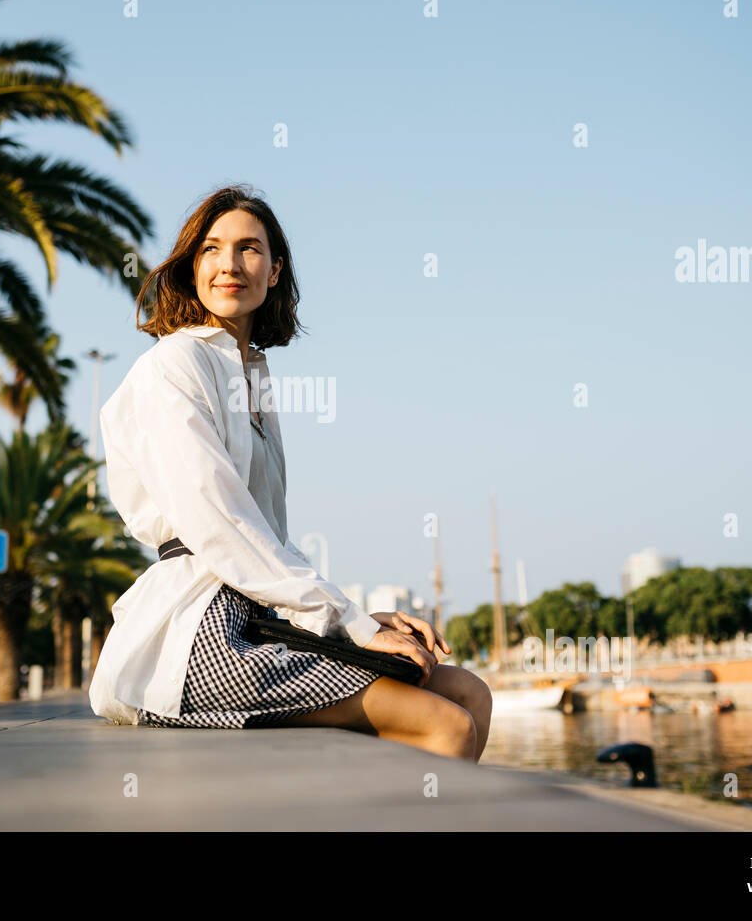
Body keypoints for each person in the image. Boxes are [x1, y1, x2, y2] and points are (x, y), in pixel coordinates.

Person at [88, 185, 491, 761]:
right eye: (210, 250)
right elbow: (217, 521)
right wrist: (349, 621)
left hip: (260, 616)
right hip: (196, 632)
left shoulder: (252, 378)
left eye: (249, 249)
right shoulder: (174, 363)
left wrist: (353, 617)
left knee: (469, 694)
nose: (229, 265)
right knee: (444, 725)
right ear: (190, 267)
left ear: (274, 271)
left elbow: (267, 539)